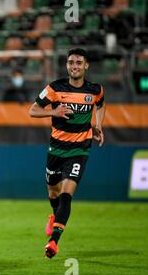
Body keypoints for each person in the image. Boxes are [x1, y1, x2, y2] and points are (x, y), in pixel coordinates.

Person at [29, 48, 105, 258]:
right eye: (71, 62)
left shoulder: (95, 90)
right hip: (56, 149)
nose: (75, 66)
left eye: (79, 63)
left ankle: (53, 241)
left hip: (80, 149)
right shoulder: (55, 88)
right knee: (53, 193)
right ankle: (54, 217)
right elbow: (32, 110)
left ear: (86, 66)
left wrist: (98, 125)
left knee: (66, 195)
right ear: (67, 66)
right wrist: (54, 111)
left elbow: (100, 104)